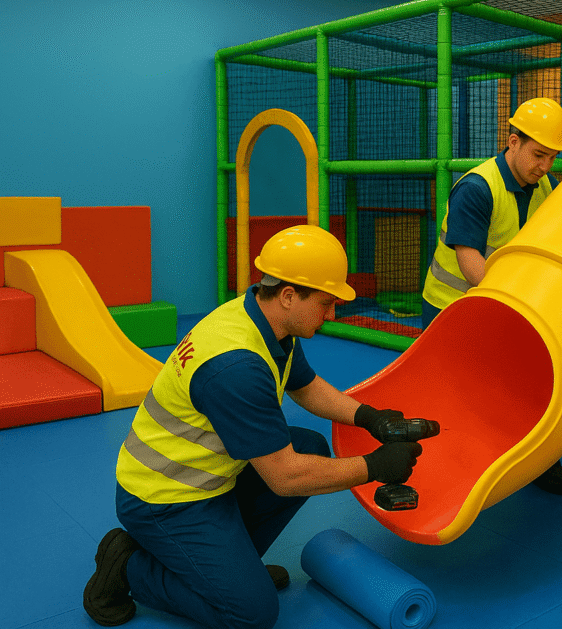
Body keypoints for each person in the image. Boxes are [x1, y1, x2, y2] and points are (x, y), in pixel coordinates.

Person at [84, 225, 426, 629]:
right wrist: (375, 467)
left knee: (311, 446)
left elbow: (305, 386)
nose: (332, 314)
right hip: (165, 499)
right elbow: (284, 477)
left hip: (208, 474)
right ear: (287, 295)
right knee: (251, 614)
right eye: (326, 303)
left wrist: (370, 416)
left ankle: (229, 573)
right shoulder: (236, 366)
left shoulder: (262, 318)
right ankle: (128, 567)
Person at [420, 96, 562, 496]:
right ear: (512, 142)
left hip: (506, 302)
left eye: (552, 157)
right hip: (451, 307)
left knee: (530, 383)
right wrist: (514, 300)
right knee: (456, 390)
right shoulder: (476, 187)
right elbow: (470, 260)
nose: (545, 166)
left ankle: (539, 461)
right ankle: (446, 468)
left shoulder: (542, 184)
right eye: (538, 155)